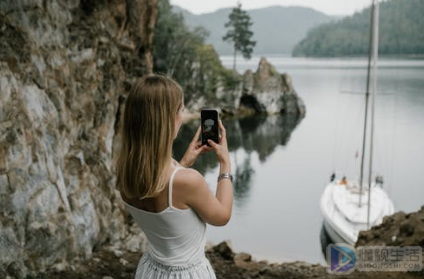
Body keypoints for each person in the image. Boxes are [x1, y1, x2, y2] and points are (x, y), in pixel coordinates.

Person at [115, 74, 233, 279]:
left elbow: (162, 191)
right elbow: (222, 216)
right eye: (181, 110)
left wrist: (183, 163)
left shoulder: (125, 171)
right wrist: (225, 164)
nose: (182, 115)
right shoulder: (188, 181)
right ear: (167, 120)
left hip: (150, 270)